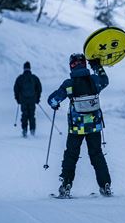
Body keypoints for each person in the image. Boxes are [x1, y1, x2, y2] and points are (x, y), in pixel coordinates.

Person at [47, 53, 112, 197]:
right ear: (85, 64)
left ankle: (66, 185)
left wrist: (54, 105)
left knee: (71, 155)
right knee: (97, 154)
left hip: (76, 127)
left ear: (71, 66)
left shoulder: (68, 84)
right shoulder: (94, 80)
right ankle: (105, 185)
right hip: (94, 125)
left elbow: (53, 100)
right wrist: (97, 66)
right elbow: (105, 81)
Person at [13, 61, 42, 137]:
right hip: (32, 100)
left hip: (23, 100)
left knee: (24, 115)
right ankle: (32, 130)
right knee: (32, 115)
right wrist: (37, 98)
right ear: (30, 68)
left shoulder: (20, 78)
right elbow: (39, 88)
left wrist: (17, 99)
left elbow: (16, 89)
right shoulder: (34, 78)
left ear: (24, 68)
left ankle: (24, 130)